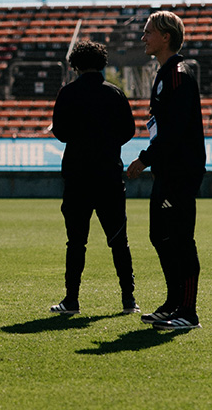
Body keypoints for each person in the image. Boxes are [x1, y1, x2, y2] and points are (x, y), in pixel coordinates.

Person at [127, 10, 206, 331]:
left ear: (166, 36)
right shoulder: (164, 72)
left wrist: (144, 159)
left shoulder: (178, 72)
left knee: (180, 239)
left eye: (148, 32)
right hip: (167, 169)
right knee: (160, 236)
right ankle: (174, 303)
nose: (143, 37)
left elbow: (173, 128)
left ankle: (188, 311)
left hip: (180, 170)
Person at [49, 40, 139, 316]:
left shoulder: (68, 93)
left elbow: (60, 132)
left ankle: (72, 300)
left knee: (76, 241)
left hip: (77, 175)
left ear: (75, 65)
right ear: (102, 64)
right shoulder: (115, 93)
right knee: (118, 240)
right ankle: (128, 300)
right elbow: (129, 131)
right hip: (109, 174)